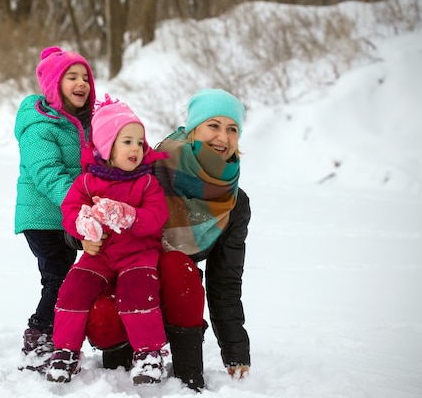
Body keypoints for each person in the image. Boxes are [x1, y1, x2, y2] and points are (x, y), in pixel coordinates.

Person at [82, 88, 252, 391]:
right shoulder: (151, 168)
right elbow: (88, 210)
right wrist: (82, 240)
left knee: (176, 264)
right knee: (104, 316)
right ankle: (117, 374)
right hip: (124, 282)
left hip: (175, 291)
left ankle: (188, 378)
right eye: (213, 125)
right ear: (192, 130)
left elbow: (225, 281)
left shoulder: (233, 202)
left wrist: (235, 350)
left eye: (232, 129)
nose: (223, 138)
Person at [46, 95, 170, 385]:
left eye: (140, 142)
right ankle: (65, 350)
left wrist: (128, 216)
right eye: (127, 141)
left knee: (137, 291)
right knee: (72, 289)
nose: (136, 149)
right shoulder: (87, 182)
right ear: (106, 145)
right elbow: (71, 210)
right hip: (98, 256)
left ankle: (150, 354)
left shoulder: (147, 182)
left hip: (138, 255)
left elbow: (156, 216)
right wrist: (84, 224)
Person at [14, 46, 96, 370]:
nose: (81, 83)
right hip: (42, 216)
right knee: (58, 278)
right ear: (53, 86)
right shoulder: (40, 124)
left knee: (67, 277)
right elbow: (48, 174)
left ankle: (59, 337)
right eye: (71, 77)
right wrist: (82, 207)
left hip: (68, 216)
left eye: (85, 77)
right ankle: (39, 340)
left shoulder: (83, 122)